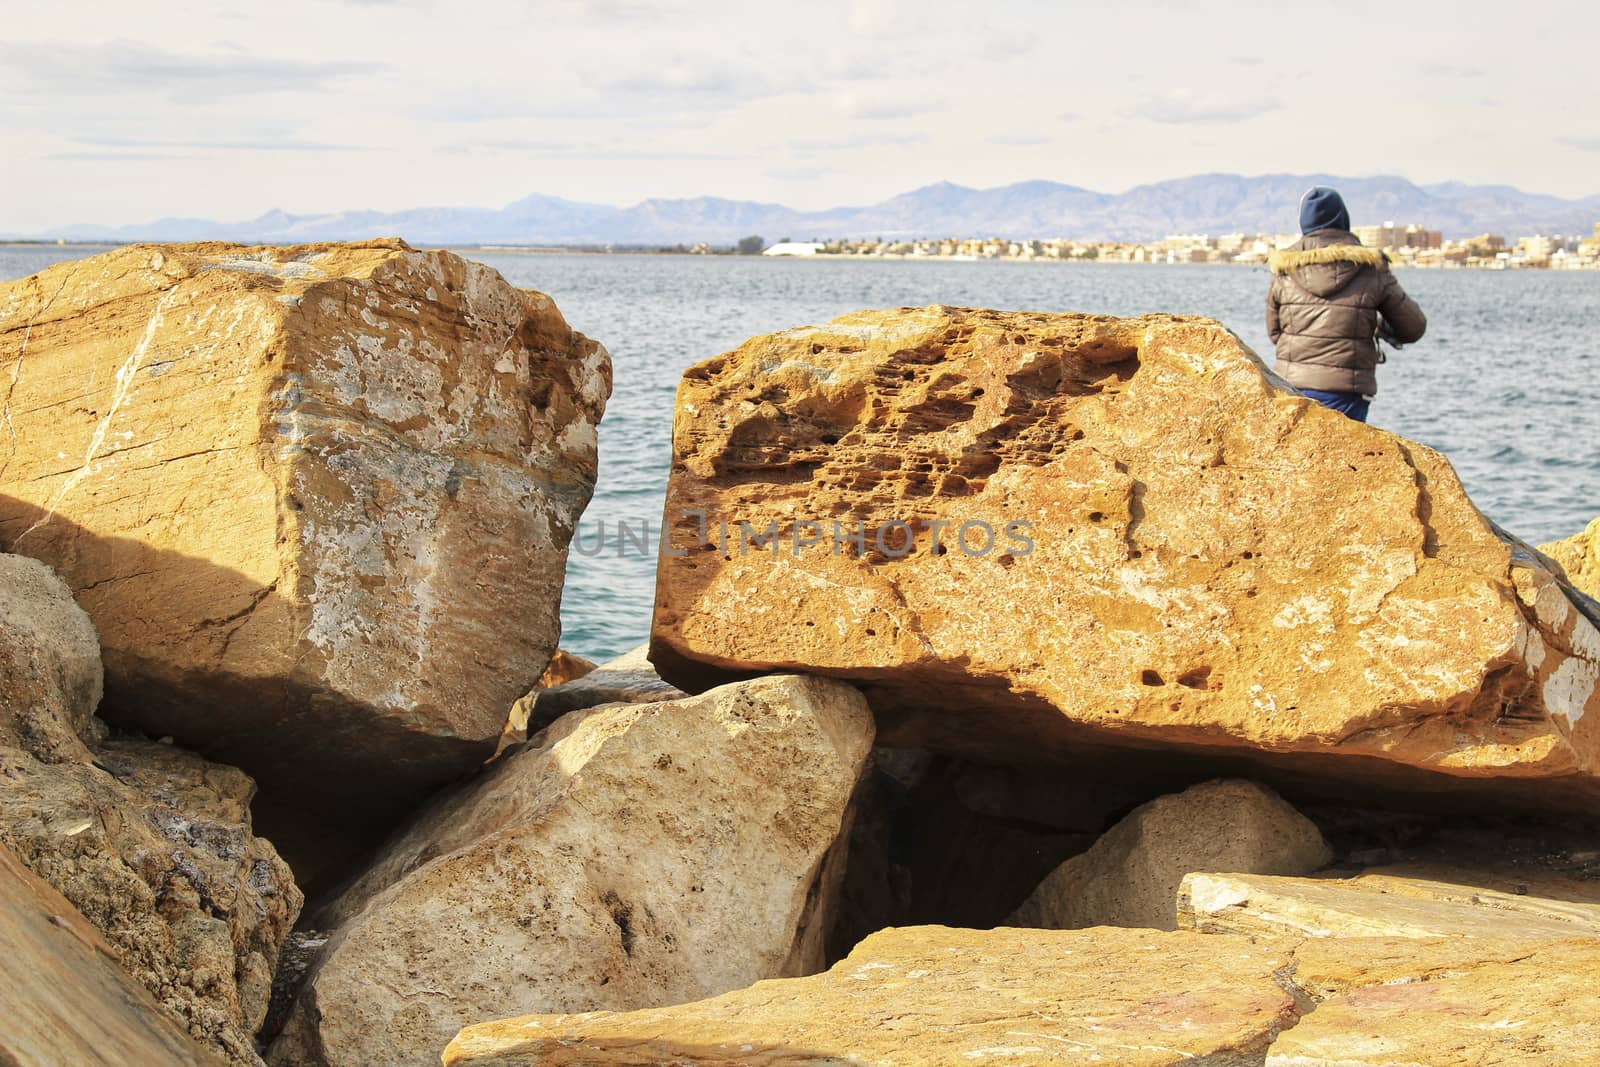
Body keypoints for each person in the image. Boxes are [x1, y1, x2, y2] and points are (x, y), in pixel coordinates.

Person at [1265, 186, 1427, 422]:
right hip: (1347, 392)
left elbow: (1274, 332)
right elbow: (1413, 327)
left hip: (1291, 386)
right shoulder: (1370, 267)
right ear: (1344, 221)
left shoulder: (1285, 270)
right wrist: (1381, 328)